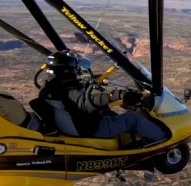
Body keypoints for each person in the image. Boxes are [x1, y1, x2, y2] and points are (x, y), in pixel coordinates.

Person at [32, 50, 166, 144]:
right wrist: (120, 94)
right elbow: (86, 103)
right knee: (133, 118)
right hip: (88, 130)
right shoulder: (67, 88)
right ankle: (165, 140)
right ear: (68, 69)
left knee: (108, 111)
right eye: (74, 67)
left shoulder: (49, 88)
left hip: (74, 126)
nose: (76, 70)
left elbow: (74, 103)